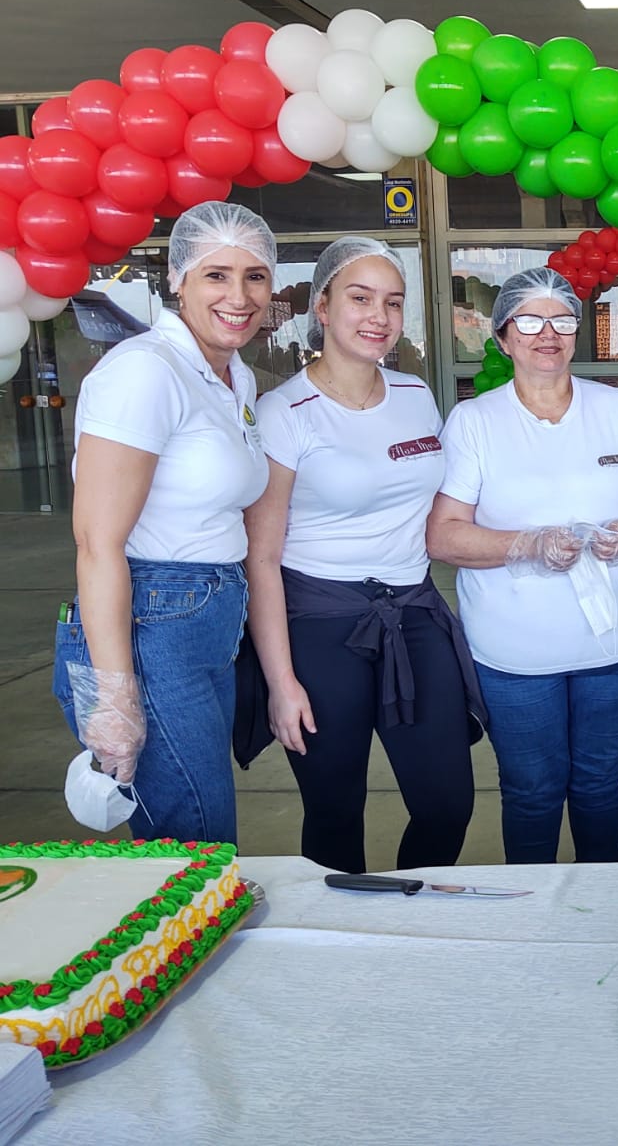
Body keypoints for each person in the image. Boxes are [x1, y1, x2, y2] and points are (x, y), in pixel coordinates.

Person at [427, 267, 618, 863]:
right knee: (533, 792)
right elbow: (443, 536)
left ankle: (601, 910)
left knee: (598, 782)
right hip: (515, 658)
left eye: (562, 319)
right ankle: (533, 921)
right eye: (530, 320)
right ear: (503, 337)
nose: (549, 333)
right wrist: (525, 545)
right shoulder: (475, 422)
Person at [244, 237, 480, 874]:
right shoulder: (284, 412)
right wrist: (281, 681)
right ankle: (341, 946)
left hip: (414, 613)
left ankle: (412, 917)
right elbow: (261, 559)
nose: (379, 315)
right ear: (322, 306)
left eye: (393, 302)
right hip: (320, 625)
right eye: (360, 298)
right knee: (334, 809)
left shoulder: (414, 395)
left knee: (447, 804)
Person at [52, 201, 276, 843]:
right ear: (177, 278)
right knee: (195, 842)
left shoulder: (232, 378)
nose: (239, 295)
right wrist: (114, 692)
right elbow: (97, 543)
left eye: (255, 276)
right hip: (149, 623)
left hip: (202, 623)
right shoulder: (145, 371)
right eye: (216, 275)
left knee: (196, 834)